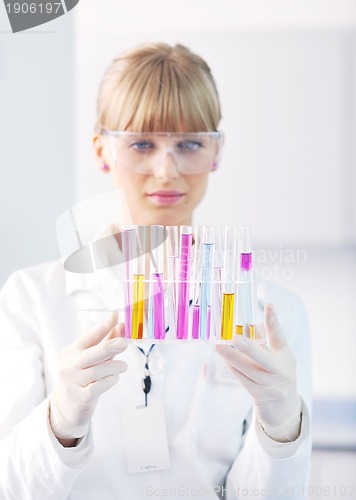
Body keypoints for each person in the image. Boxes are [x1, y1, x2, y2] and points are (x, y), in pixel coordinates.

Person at [0, 43, 312, 499]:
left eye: (189, 144)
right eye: (142, 143)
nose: (167, 170)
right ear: (101, 150)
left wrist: (281, 427)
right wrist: (60, 421)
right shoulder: (31, 299)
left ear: (216, 152)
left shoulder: (275, 312)